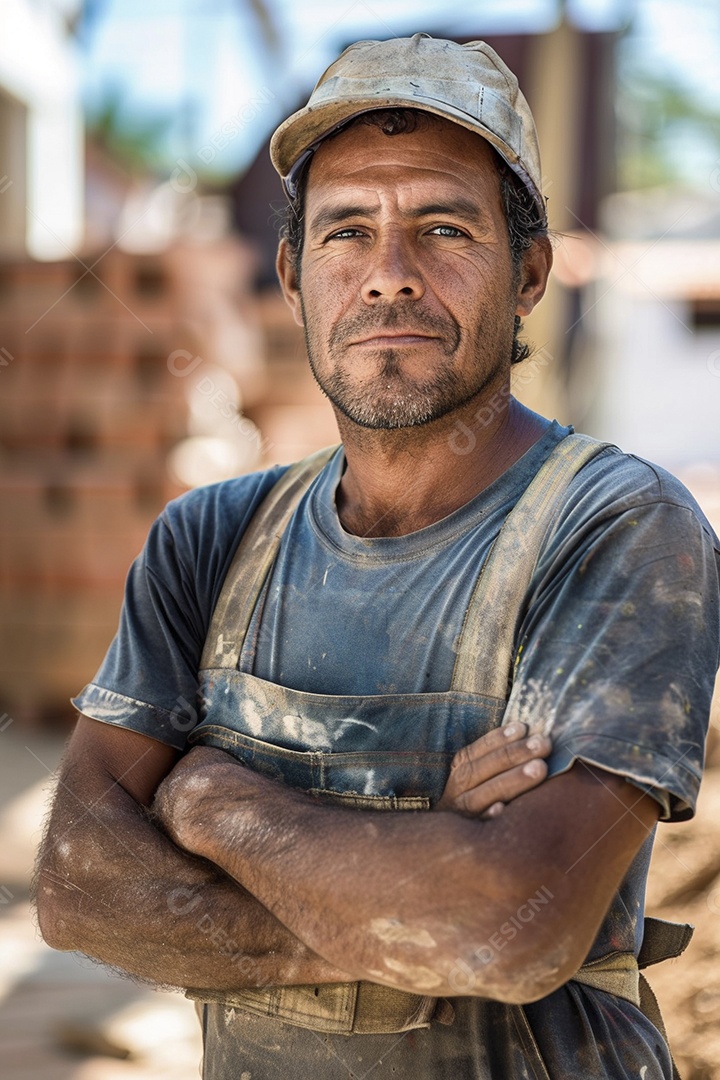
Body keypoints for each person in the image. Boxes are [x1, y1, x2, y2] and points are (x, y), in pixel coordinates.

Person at [35, 33, 720, 1080]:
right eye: (346, 232)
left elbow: (513, 928)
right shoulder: (209, 540)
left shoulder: (616, 527)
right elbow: (79, 883)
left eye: (444, 229)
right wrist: (417, 890)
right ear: (292, 275)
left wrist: (211, 802)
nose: (389, 276)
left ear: (528, 269)